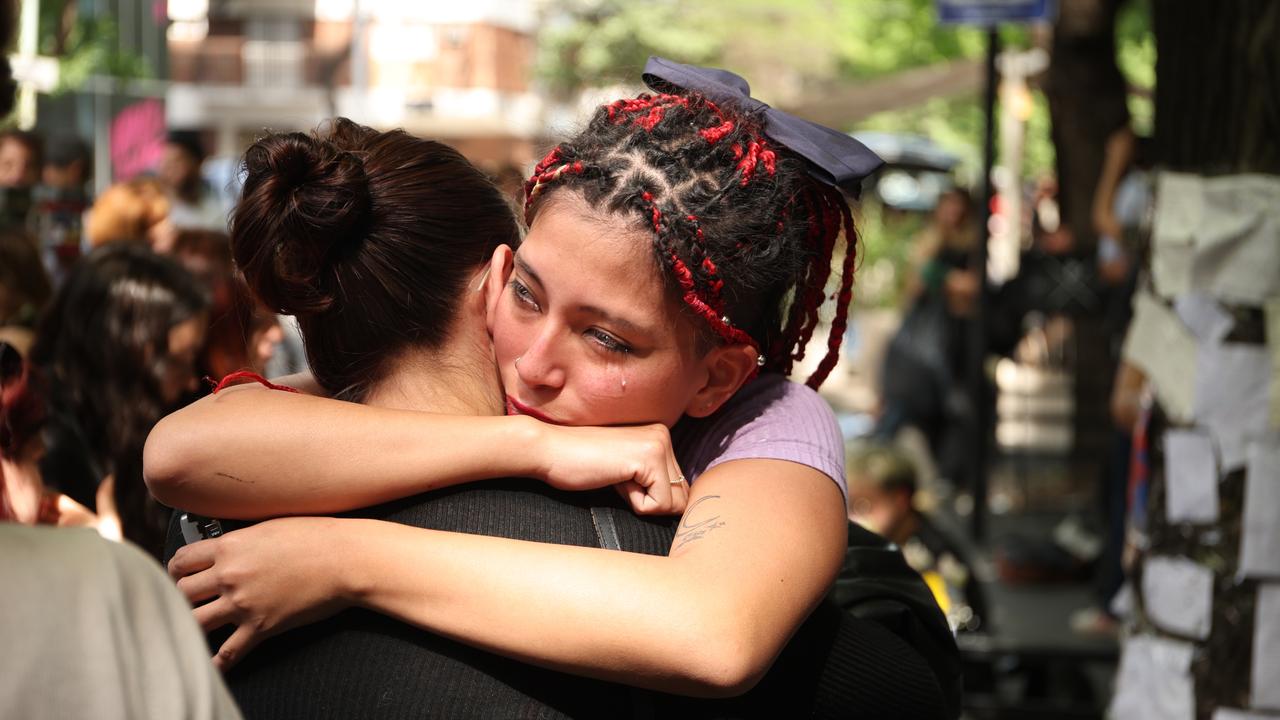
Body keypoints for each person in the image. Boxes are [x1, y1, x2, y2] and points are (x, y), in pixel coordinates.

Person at [147, 61, 952, 706]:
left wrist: (341, 560)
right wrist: (527, 445)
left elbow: (713, 633)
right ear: (498, 272)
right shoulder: (507, 381)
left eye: (607, 338)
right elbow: (185, 450)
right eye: (528, 294)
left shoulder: (769, 421)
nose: (532, 363)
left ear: (716, 378)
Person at [33, 243, 208, 556]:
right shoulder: (48, 443)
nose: (192, 380)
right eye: (182, 359)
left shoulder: (114, 422)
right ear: (129, 354)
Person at [846, 442, 986, 632]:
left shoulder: (934, 557)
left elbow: (951, 624)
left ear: (900, 499)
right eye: (847, 507)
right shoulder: (875, 546)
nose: (853, 519)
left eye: (863, 506)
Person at [34, 134, 93, 285]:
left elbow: (68, 258)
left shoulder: (74, 210)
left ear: (75, 169)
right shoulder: (43, 208)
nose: (45, 176)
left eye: (51, 167)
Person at [158, 130, 230, 233]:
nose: (168, 168)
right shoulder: (155, 211)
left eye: (176, 161)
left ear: (198, 163)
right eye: (164, 161)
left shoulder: (218, 208)